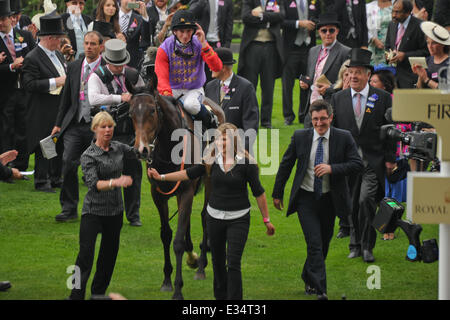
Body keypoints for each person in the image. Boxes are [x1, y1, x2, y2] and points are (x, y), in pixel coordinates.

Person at [148, 122, 275, 300]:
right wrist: (160, 176)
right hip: (214, 218)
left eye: (226, 141)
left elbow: (259, 193)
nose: (222, 144)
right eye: (219, 141)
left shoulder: (247, 164)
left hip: (238, 218)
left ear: (234, 142)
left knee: (233, 263)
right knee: (217, 263)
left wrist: (266, 220)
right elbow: (187, 174)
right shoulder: (210, 162)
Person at [272, 100, 363, 300]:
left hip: (330, 199)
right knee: (313, 242)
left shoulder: (343, 137)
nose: (319, 123)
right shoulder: (300, 137)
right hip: (306, 198)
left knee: (323, 243)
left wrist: (332, 168)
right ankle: (320, 289)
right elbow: (286, 165)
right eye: (315, 119)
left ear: (330, 118)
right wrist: (277, 193)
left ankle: (308, 274)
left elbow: (357, 164)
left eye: (323, 119)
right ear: (310, 120)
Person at [331, 48, 397, 263]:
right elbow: (335, 132)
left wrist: (389, 159)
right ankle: (354, 244)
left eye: (358, 72)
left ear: (368, 75)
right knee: (351, 204)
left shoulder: (383, 98)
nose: (353, 77)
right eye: (350, 73)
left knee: (366, 200)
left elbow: (391, 131)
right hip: (348, 162)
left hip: (372, 160)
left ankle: (368, 246)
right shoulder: (338, 98)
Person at [68, 111, 135, 300]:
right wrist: (116, 182)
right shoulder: (88, 155)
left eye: (110, 126)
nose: (107, 130)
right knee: (85, 255)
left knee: (108, 257)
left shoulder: (118, 148)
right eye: (103, 127)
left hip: (115, 212)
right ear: (95, 129)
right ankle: (75, 295)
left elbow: (138, 152)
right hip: (93, 212)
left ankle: (98, 294)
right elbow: (94, 184)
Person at [88, 38, 144, 226]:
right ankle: (105, 212)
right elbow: (93, 99)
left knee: (134, 173)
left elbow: (143, 95)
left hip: (129, 130)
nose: (120, 68)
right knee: (105, 174)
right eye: (115, 65)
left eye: (122, 64)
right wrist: (119, 97)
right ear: (108, 62)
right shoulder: (97, 76)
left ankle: (133, 214)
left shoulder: (133, 75)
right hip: (107, 131)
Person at [51, 31, 105, 222]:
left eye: (93, 44)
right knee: (67, 163)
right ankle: (68, 209)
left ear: (101, 47)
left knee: (99, 168)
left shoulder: (106, 68)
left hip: (97, 126)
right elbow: (65, 98)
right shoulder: (73, 67)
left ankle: (98, 210)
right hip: (74, 124)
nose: (89, 47)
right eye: (86, 43)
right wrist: (58, 124)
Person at [154, 9, 223, 129]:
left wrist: (205, 46)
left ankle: (211, 121)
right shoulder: (164, 48)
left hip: (194, 90)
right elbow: (161, 77)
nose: (185, 35)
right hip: (171, 90)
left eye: (189, 31)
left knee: (191, 105)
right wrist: (168, 96)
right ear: (174, 31)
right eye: (181, 31)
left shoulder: (199, 43)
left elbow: (217, 67)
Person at [22, 12, 67, 193]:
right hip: (42, 108)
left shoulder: (58, 55)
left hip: (58, 106)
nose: (61, 42)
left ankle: (56, 177)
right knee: (45, 145)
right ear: (50, 38)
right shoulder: (33, 57)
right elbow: (29, 84)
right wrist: (56, 81)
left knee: (58, 143)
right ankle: (42, 180)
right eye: (59, 38)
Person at [0, 0, 35, 175]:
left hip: (25, 90)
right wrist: (11, 66)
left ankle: (21, 164)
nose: (0, 22)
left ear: (11, 18)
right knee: (6, 127)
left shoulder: (25, 36)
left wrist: (25, 63)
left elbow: (35, 58)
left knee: (24, 125)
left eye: (3, 18)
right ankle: (5, 166)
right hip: (4, 92)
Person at [238, 0, 285, 129]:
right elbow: (246, 17)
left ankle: (266, 120)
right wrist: (270, 18)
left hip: (271, 47)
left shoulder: (277, 1)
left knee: (268, 86)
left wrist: (260, 15)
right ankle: (249, 119)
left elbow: (281, 16)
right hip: (253, 46)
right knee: (249, 85)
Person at [299, 12, 351, 128]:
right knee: (308, 142)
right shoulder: (313, 51)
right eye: (324, 31)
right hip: (311, 106)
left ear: (337, 31)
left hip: (331, 107)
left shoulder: (345, 52)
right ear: (319, 32)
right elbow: (312, 76)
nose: (328, 34)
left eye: (331, 30)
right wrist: (305, 83)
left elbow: (348, 83)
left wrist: (330, 88)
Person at [204, 47, 259, 152]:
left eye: (212, 64)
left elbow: (251, 124)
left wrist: (241, 151)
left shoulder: (246, 88)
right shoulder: (209, 87)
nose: (210, 68)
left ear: (222, 67)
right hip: (213, 151)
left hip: (236, 150)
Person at [281, 0, 321, 125]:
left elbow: (320, 18)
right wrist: (299, 23)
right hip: (290, 48)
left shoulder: (315, 1)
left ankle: (303, 115)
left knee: (306, 82)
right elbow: (281, 21)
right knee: (287, 85)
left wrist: (314, 23)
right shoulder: (285, 2)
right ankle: (288, 116)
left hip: (309, 48)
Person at [385, 0, 429, 88]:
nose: (393, 15)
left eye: (397, 12)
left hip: (412, 76)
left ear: (408, 12)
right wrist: (388, 55)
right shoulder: (392, 24)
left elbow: (426, 52)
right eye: (393, 11)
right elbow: (388, 46)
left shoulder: (420, 26)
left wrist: (405, 56)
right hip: (394, 76)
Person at [412, 21, 449, 89]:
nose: (430, 46)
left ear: (443, 44)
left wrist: (426, 80)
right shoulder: (427, 61)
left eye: (434, 43)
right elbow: (419, 89)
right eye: (428, 43)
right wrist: (420, 75)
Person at [118, 0, 150, 69]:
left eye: (132, 0)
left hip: (132, 62)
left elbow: (146, 42)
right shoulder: (112, 15)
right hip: (113, 59)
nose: (130, 1)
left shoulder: (139, 18)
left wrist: (144, 15)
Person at [366, 0, 394, 66]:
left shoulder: (397, 5)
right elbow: (362, 28)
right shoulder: (368, 7)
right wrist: (373, 39)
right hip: (373, 46)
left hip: (392, 46)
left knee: (390, 70)